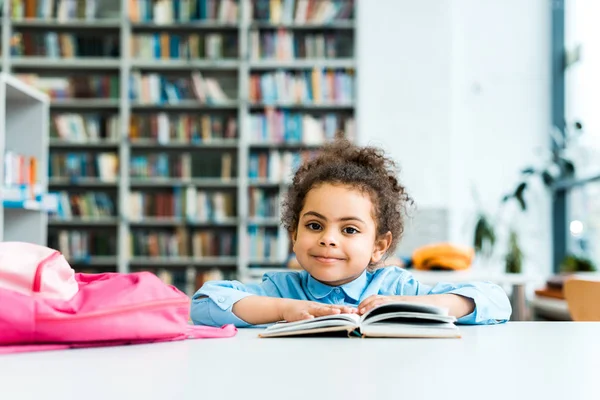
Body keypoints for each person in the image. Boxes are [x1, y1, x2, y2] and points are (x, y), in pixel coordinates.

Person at [190, 138, 511, 327]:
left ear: (378, 245)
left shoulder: (397, 287)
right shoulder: (279, 288)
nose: (328, 239)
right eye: (314, 225)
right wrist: (284, 309)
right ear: (294, 233)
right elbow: (203, 302)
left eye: (349, 229)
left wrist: (412, 305)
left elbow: (497, 301)